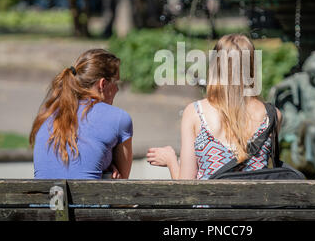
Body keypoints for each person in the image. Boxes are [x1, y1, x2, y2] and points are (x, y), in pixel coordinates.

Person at [146, 34, 282, 179]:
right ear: (252, 66)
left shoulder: (196, 113)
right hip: (255, 201)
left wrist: (171, 160)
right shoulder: (272, 116)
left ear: (215, 66)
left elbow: (186, 188)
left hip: (210, 202)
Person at [30, 49, 133, 179]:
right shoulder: (119, 118)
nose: (117, 89)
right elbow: (122, 183)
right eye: (116, 82)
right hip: (87, 199)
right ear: (103, 84)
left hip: (45, 199)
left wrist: (105, 163)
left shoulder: (47, 114)